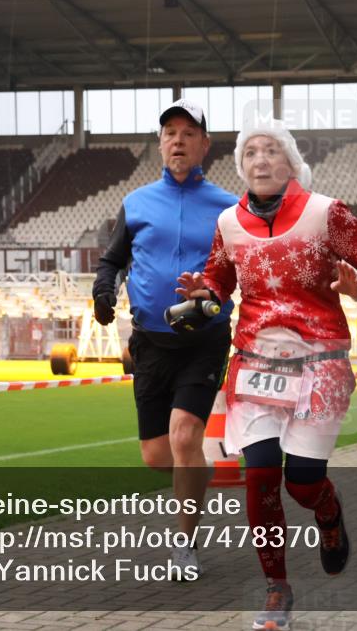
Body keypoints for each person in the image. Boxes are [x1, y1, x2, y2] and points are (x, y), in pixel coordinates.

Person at [176, 118, 357, 631]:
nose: (259, 159)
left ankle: (328, 511)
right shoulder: (229, 221)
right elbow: (219, 276)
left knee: (301, 483)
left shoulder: (325, 213)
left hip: (319, 362)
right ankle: (276, 587)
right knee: (260, 477)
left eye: (271, 150)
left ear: (291, 161)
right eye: (250, 152)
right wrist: (204, 292)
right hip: (254, 363)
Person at [92, 99, 238, 576]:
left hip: (205, 339)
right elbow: (113, 260)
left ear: (205, 145)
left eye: (189, 133)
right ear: (160, 144)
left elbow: (244, 272)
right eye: (170, 132)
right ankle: (197, 472)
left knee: (183, 436)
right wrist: (103, 290)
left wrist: (213, 296)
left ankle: (184, 545)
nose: (178, 140)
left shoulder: (228, 209)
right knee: (159, 455)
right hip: (150, 342)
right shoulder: (135, 203)